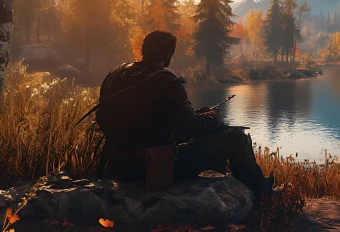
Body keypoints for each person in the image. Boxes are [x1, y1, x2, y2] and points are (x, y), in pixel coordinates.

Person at [95, 30, 273, 202]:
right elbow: (190, 128)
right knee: (237, 139)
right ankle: (261, 193)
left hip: (118, 165)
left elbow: (111, 120)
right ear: (167, 55)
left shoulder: (114, 76)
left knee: (219, 130)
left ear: (143, 50)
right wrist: (212, 116)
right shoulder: (167, 82)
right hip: (155, 167)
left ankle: (248, 185)